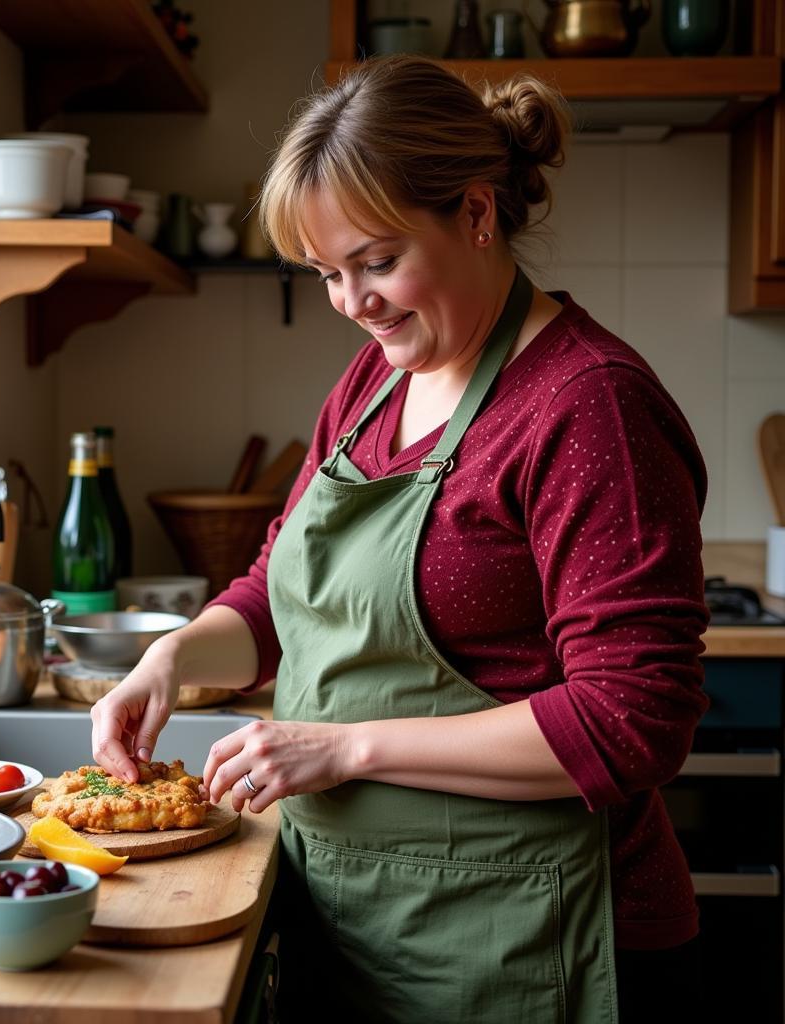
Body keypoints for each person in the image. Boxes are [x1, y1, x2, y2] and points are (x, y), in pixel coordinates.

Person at [90, 56, 709, 1022]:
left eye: (377, 262)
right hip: (360, 911)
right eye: (328, 273)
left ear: (475, 213)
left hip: (532, 936)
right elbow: (276, 593)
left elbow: (632, 720)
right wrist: (171, 657)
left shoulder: (589, 408)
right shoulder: (374, 385)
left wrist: (346, 750)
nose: (353, 302)